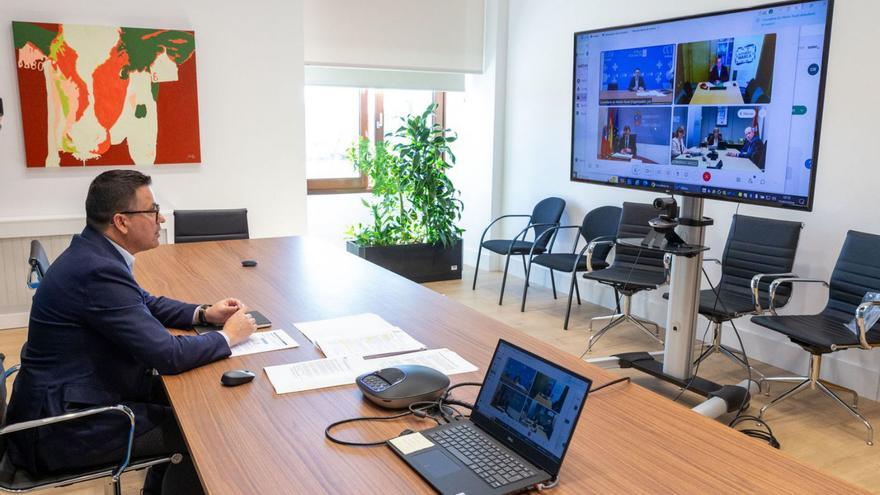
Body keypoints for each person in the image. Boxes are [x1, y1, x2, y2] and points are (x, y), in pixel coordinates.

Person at [6, 170, 257, 494]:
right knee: (199, 431)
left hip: (74, 397)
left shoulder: (94, 253)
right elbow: (167, 355)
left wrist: (203, 313)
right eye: (152, 211)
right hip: (63, 428)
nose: (161, 218)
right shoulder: (96, 269)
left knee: (194, 404)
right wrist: (228, 336)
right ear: (122, 222)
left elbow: (142, 301)